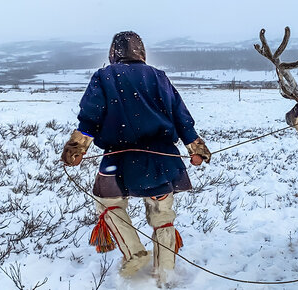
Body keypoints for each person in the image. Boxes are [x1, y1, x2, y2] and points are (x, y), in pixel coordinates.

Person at [60, 31, 211, 281]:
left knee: (107, 203)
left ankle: (134, 253)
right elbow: (181, 117)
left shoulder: (104, 77)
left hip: (119, 160)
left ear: (114, 53)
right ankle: (165, 274)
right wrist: (196, 149)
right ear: (141, 52)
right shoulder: (159, 77)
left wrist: (76, 149)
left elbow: (90, 118)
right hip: (163, 159)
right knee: (162, 216)